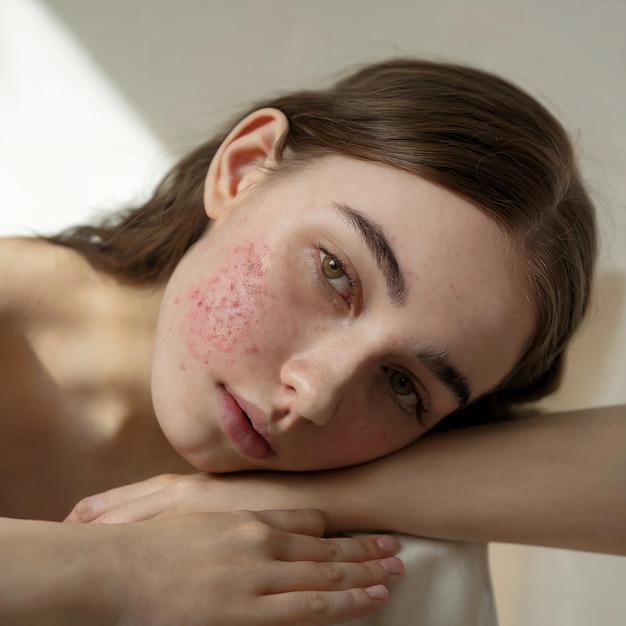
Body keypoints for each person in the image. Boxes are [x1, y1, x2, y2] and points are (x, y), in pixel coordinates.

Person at [1, 58, 621, 624]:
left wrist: (304, 494)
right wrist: (115, 568)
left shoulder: (367, 536)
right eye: (335, 273)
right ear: (243, 169)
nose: (318, 393)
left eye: (404, 386)